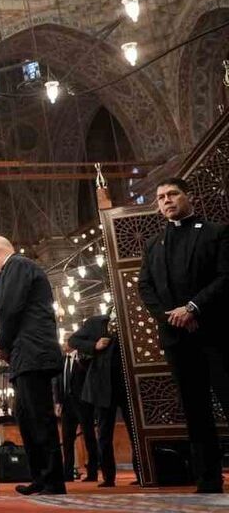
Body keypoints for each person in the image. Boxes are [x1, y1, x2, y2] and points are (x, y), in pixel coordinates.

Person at [138, 177, 229, 493]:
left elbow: (225, 277)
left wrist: (193, 308)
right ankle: (208, 479)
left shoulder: (216, 232)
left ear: (188, 196)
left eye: (172, 194)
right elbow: (145, 287)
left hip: (215, 334)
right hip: (177, 338)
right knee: (195, 410)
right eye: (161, 197)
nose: (166, 200)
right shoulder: (153, 244)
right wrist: (172, 317)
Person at [0, 236, 65, 496]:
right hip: (25, 356)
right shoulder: (14, 270)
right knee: (26, 417)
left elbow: (9, 309)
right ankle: (40, 476)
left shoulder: (18, 265)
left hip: (34, 354)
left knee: (40, 418)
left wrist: (1, 343)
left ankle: (53, 479)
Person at [70, 313, 134, 487]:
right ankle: (108, 477)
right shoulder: (96, 322)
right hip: (103, 386)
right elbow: (73, 341)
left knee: (135, 431)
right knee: (104, 433)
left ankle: (142, 472)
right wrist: (94, 345)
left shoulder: (131, 320)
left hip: (128, 384)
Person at [53, 345, 98, 482]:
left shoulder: (82, 358)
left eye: (65, 341)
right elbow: (57, 382)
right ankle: (67, 474)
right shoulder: (62, 361)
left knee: (89, 438)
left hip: (83, 404)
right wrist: (58, 401)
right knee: (67, 441)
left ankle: (92, 473)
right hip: (66, 406)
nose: (63, 344)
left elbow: (90, 378)